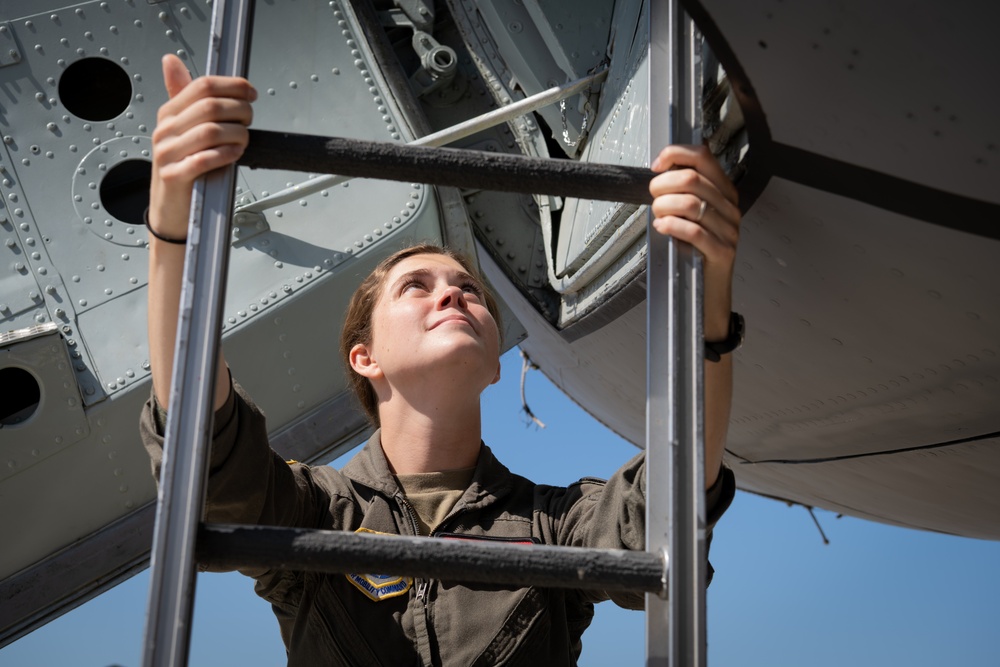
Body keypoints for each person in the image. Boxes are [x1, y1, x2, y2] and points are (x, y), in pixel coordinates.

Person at [141, 54, 741, 666]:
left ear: (494, 365)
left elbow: (669, 503)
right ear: (365, 357)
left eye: (470, 291)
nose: (454, 292)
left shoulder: (554, 526)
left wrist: (710, 289)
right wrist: (172, 226)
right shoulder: (316, 512)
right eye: (416, 287)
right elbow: (208, 450)